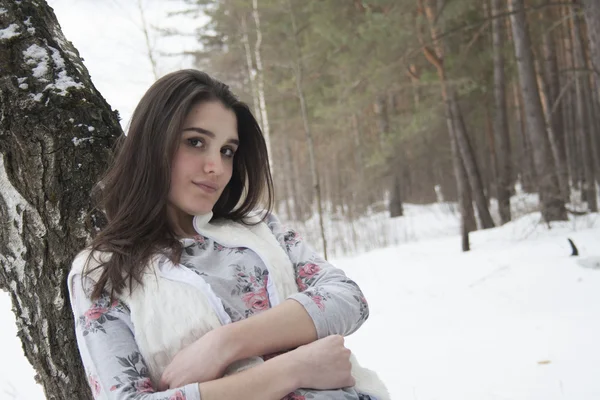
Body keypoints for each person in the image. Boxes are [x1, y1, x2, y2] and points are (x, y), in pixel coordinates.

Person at [67, 69, 390, 400]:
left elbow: (348, 298)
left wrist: (224, 344)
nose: (216, 167)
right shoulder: (102, 271)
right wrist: (293, 370)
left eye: (227, 151)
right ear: (152, 144)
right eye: (196, 142)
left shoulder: (260, 228)